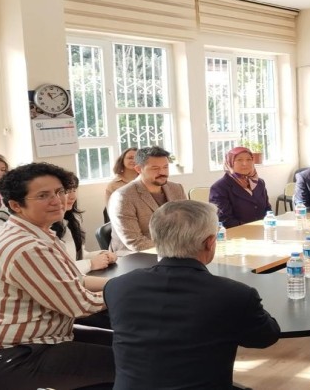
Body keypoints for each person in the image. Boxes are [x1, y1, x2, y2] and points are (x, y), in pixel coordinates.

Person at [0, 162, 114, 390]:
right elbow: (80, 305)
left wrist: (119, 283)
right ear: (16, 205)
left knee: (129, 346)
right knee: (138, 360)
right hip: (12, 355)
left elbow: (69, 280)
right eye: (43, 195)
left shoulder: (37, 234)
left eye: (59, 192)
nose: (57, 200)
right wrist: (131, 291)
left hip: (30, 338)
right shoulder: (27, 246)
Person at [104, 200, 280, 389]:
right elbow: (266, 337)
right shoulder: (235, 295)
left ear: (155, 238)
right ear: (210, 243)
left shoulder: (117, 288)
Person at [108, 146, 186, 253]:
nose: (162, 172)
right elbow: (135, 242)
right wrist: (174, 249)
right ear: (138, 169)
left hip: (173, 251)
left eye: (165, 167)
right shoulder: (123, 197)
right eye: (155, 168)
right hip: (134, 255)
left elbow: (187, 223)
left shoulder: (176, 188)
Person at [52, 173, 117, 274]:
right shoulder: (46, 227)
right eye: (66, 191)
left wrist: (103, 254)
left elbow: (80, 256)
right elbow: (58, 270)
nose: (73, 197)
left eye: (74, 190)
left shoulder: (73, 219)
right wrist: (90, 264)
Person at [209, 146, 272, 227]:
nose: (245, 163)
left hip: (263, 230)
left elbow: (268, 210)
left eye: (249, 159)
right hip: (236, 233)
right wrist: (252, 228)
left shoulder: (259, 183)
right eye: (239, 160)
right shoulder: (219, 188)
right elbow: (225, 220)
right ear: (230, 162)